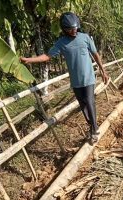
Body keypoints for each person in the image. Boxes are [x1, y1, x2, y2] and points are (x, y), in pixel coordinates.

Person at [20, 12, 109, 145]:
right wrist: (29, 60)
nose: (74, 31)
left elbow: (95, 54)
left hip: (89, 77)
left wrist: (103, 71)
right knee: (83, 105)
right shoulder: (61, 43)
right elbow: (47, 56)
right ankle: (92, 126)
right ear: (65, 29)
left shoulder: (85, 38)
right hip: (76, 81)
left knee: (89, 101)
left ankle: (95, 129)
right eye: (71, 29)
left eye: (75, 28)